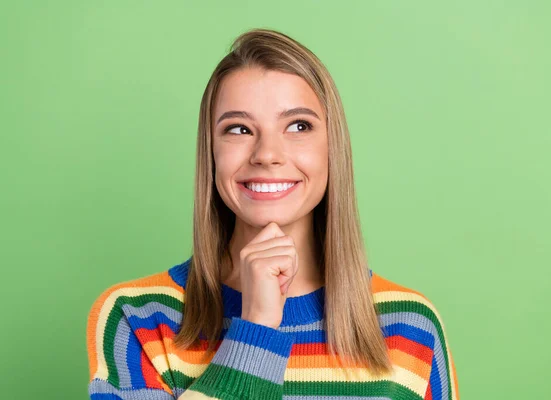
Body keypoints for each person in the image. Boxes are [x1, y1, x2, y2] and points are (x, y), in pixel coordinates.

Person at [86, 28, 459, 400]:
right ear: (211, 151)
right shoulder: (139, 320)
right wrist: (256, 330)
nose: (267, 154)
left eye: (299, 126)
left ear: (332, 147)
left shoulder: (410, 328)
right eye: (239, 129)